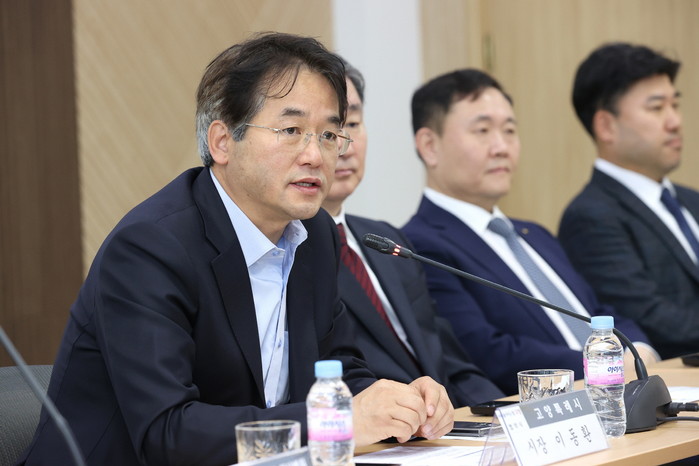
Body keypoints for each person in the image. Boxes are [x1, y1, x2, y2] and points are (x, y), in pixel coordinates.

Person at [20, 33, 453, 466]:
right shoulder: (150, 249)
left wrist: (397, 404)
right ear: (222, 142)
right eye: (291, 130)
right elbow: (166, 434)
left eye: (328, 134)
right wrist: (337, 421)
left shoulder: (314, 234)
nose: (316, 155)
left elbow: (338, 369)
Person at [402, 68, 656, 395]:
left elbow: (597, 312)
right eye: (482, 130)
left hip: (620, 391)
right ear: (429, 146)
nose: (501, 147)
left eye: (509, 130)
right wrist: (607, 366)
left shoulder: (534, 235)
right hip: (550, 405)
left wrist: (638, 348)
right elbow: (485, 351)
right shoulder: (419, 245)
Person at [321, 60, 503, 407]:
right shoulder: (291, 251)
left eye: (353, 124)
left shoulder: (386, 239)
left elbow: (451, 363)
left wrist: (505, 416)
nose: (345, 145)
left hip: (445, 424)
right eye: (329, 130)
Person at [559, 43, 699, 359]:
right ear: (606, 126)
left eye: (675, 105)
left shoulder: (691, 200)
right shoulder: (590, 216)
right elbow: (648, 316)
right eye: (657, 108)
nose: (675, 121)